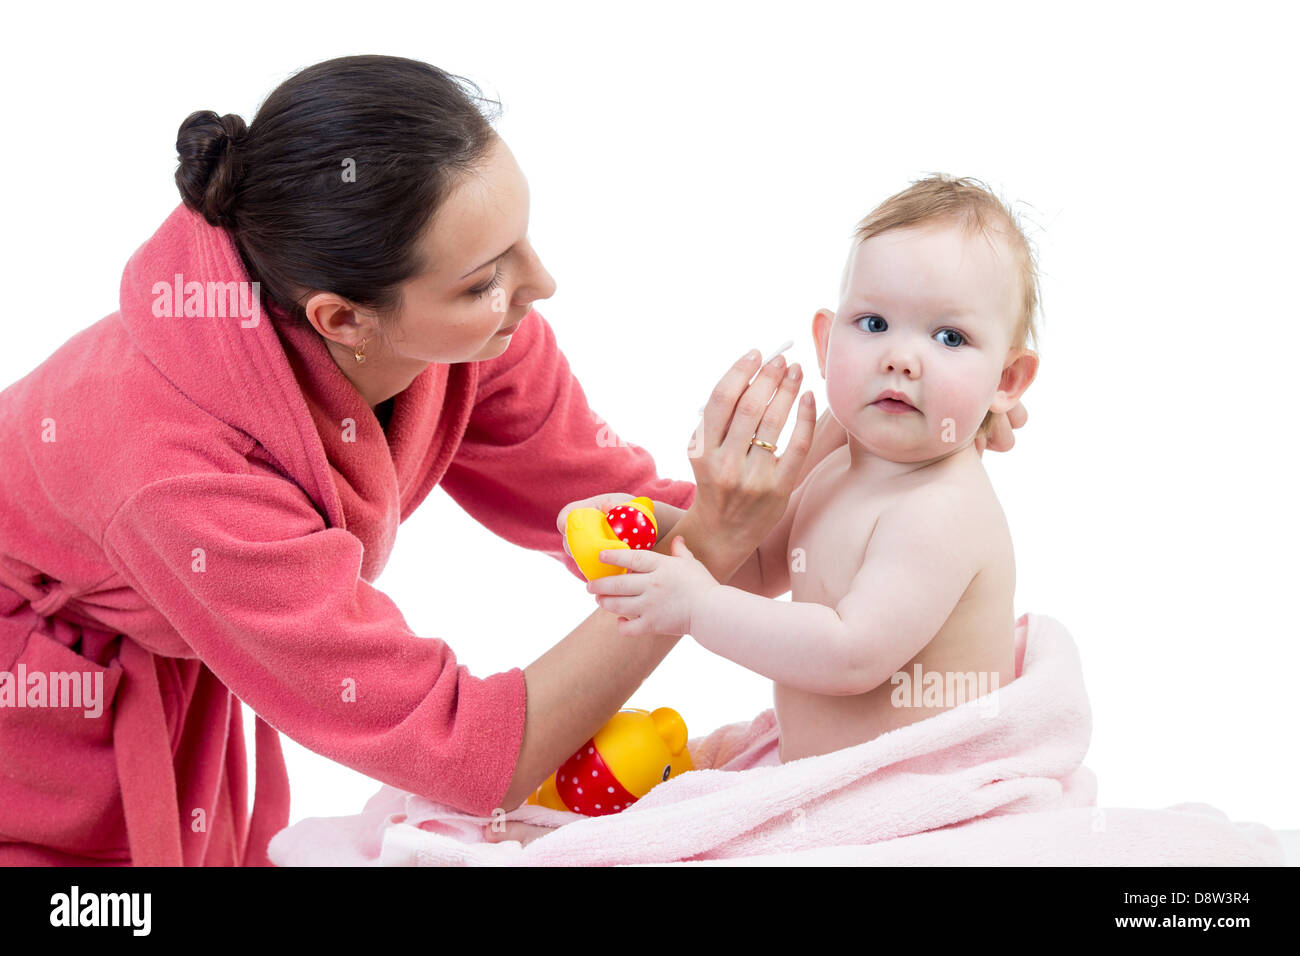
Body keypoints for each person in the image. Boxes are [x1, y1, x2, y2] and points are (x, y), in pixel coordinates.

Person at [588, 175, 1040, 761]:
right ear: (825, 344)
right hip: (825, 786)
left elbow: (850, 654)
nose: (901, 359)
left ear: (1006, 381)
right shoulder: (839, 470)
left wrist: (697, 608)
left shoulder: (941, 509)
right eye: (874, 324)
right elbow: (754, 565)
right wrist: (652, 527)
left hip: (909, 802)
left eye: (949, 336)